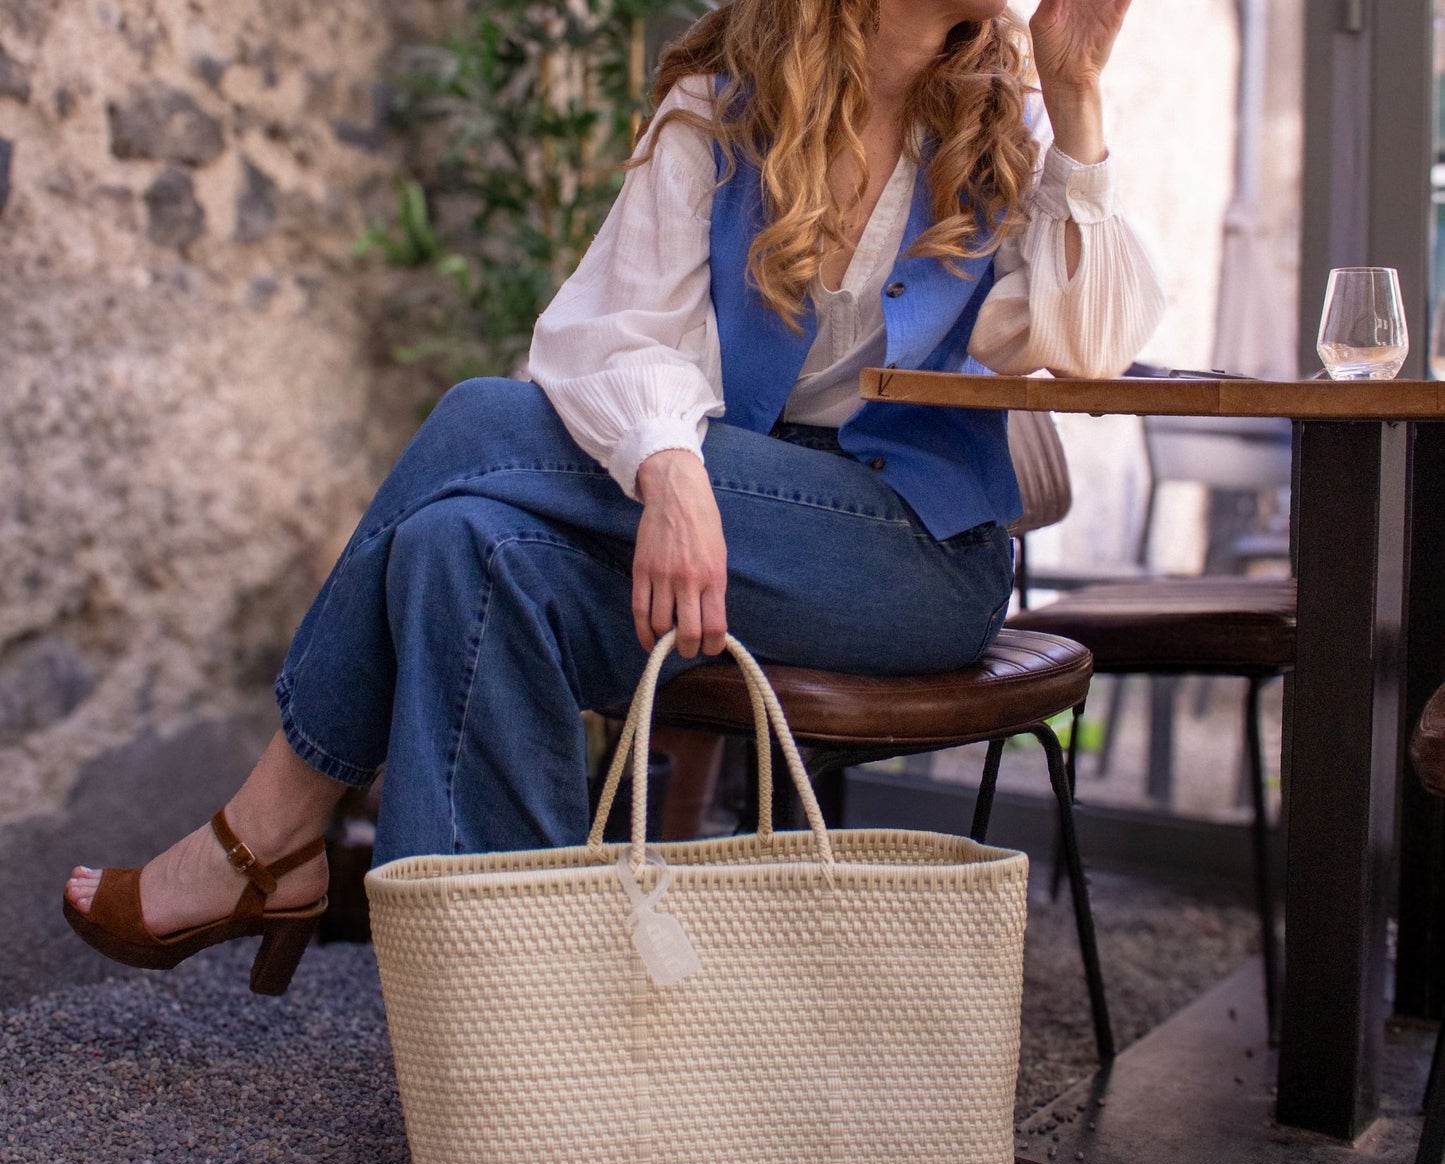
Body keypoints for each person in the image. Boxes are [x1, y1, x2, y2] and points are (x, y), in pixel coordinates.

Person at [62, 0, 1164, 993]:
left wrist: (1074, 92)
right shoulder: (722, 108)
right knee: (462, 546)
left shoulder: (1003, 128)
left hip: (910, 558)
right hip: (739, 536)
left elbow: (1090, 344)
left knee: (479, 419)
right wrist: (672, 474)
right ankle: (521, 1021)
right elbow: (615, 327)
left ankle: (270, 826)